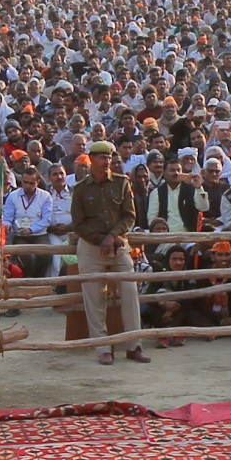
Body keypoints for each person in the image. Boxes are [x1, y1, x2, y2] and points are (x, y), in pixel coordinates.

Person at [67, 141, 147, 364]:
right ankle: (102, 348)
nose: (107, 161)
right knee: (94, 297)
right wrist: (101, 240)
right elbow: (79, 224)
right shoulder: (81, 189)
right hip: (91, 247)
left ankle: (134, 344)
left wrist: (112, 236)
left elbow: (130, 216)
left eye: (110, 157)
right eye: (102, 157)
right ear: (91, 159)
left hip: (119, 244)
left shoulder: (121, 183)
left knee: (130, 292)